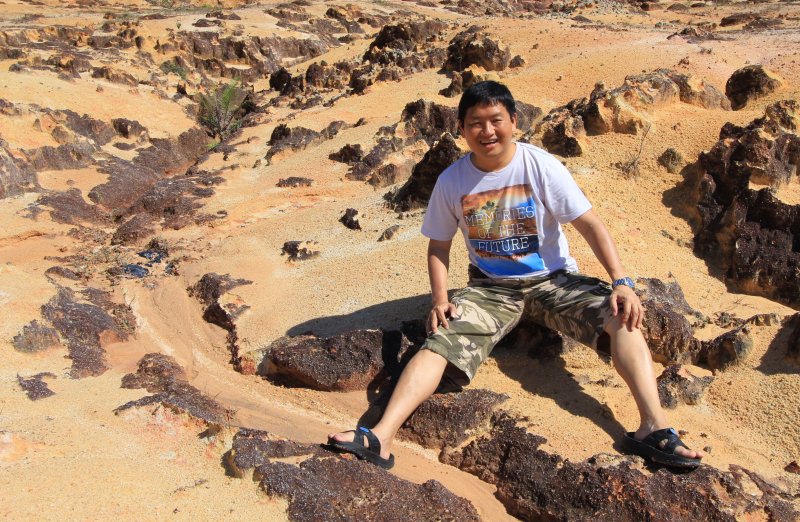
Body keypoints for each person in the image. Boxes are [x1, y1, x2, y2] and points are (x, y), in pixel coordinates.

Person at [327, 80, 703, 470]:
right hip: (491, 288)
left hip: (555, 282)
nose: (487, 131)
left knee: (623, 319)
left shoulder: (539, 165)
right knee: (439, 340)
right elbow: (438, 246)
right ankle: (381, 435)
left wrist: (621, 281)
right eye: (476, 123)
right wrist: (440, 300)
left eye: (496, 120)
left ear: (514, 121)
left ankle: (653, 428)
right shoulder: (452, 181)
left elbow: (588, 223)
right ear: (461, 128)